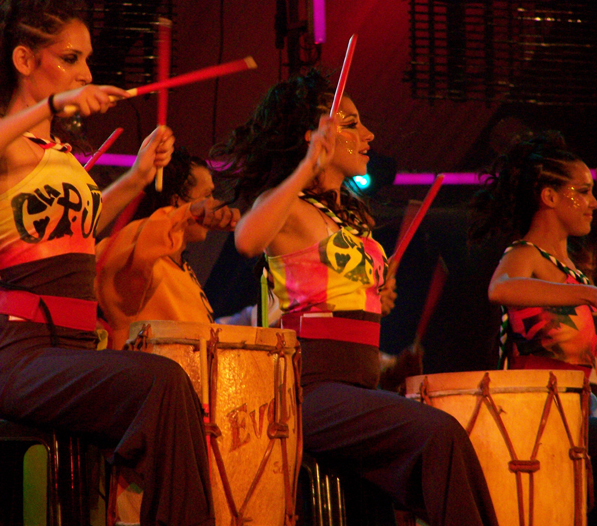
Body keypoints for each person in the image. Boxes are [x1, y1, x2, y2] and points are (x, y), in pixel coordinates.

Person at [0, 1, 213, 524]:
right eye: (71, 58)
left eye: (85, 61)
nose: (86, 73)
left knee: (173, 382)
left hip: (71, 349)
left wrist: (136, 178)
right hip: (24, 355)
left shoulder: (56, 153)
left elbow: (83, 232)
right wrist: (51, 106)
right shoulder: (0, 142)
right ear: (24, 60)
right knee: (162, 383)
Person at [211, 69, 498, 526]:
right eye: (351, 124)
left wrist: (370, 300)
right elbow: (246, 239)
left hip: (357, 385)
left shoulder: (350, 219)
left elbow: (331, 300)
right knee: (438, 434)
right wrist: (307, 165)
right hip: (309, 389)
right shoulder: (291, 207)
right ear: (314, 136)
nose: (369, 134)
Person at [469, 132, 597, 374]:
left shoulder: (575, 271)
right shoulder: (524, 254)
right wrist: (588, 294)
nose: (594, 202)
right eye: (583, 191)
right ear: (549, 196)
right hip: (539, 403)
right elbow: (501, 288)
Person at [95, 147, 240, 348]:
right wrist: (189, 212)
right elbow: (141, 237)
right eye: (207, 196)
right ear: (176, 200)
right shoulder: (141, 257)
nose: (213, 204)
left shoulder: (180, 267)